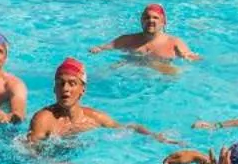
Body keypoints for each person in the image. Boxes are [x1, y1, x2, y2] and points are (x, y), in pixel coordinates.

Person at [27, 58, 171, 142]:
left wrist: (154, 136)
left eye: (72, 83)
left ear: (82, 90)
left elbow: (128, 128)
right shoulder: (44, 119)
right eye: (60, 83)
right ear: (54, 89)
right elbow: (29, 153)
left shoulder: (94, 118)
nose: (65, 89)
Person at [93, 2, 199, 60]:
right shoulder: (127, 39)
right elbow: (104, 47)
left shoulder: (174, 43)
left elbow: (190, 57)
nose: (150, 20)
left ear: (163, 22)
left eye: (155, 18)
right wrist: (97, 49)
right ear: (141, 20)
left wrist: (189, 57)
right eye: (146, 17)